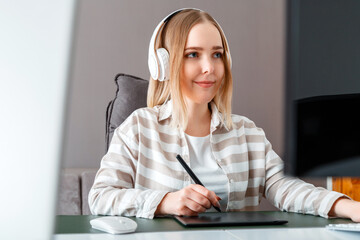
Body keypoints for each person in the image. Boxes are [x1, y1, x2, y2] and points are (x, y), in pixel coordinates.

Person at [89, 8, 360, 221]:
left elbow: (286, 188)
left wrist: (347, 207)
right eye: (193, 54)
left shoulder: (246, 133)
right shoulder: (139, 128)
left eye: (217, 55)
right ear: (163, 64)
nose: (209, 67)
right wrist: (165, 202)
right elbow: (100, 197)